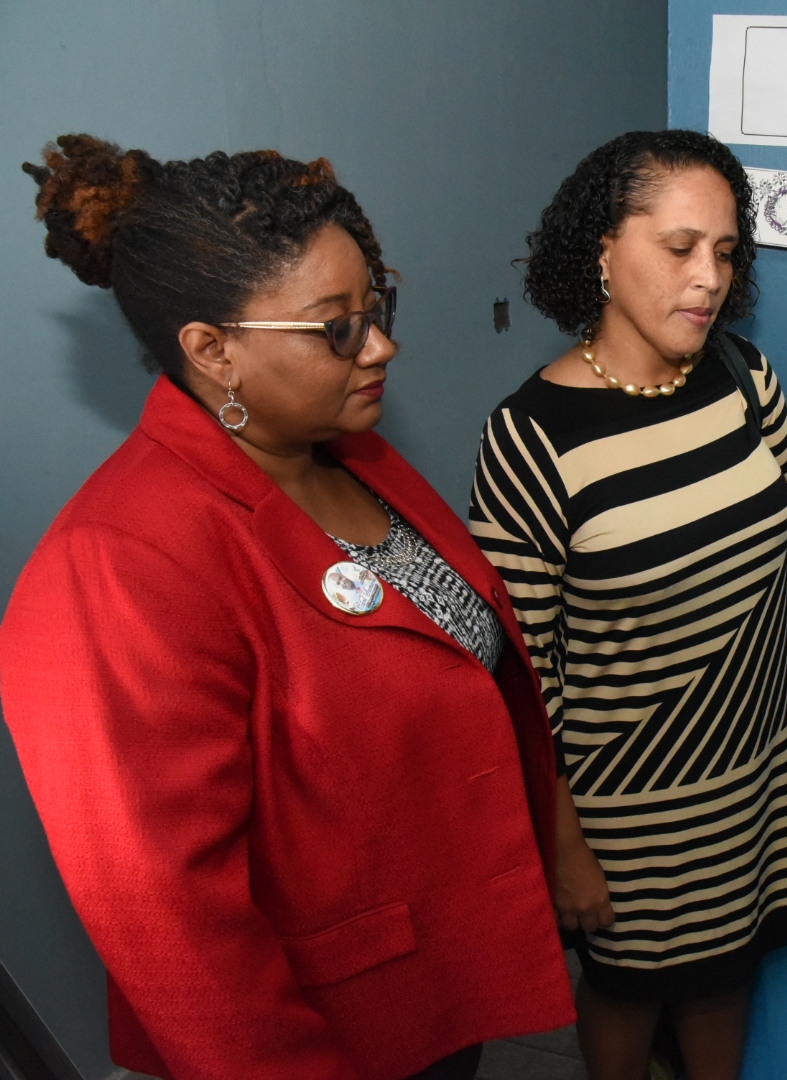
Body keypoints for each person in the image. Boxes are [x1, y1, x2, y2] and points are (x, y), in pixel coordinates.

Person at [0, 136, 574, 1080]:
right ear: (213, 350)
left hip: (433, 989)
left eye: (377, 307)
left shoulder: (353, 459)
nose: (381, 345)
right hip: (314, 1036)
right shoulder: (117, 566)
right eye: (337, 328)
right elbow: (169, 919)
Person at [470, 129, 787, 1080]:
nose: (707, 277)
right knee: (630, 995)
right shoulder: (532, 437)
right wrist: (565, 845)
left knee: (723, 978)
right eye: (678, 248)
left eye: (726, 251)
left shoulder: (741, 377)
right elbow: (520, 666)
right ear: (602, 252)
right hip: (629, 807)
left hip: (749, 767)